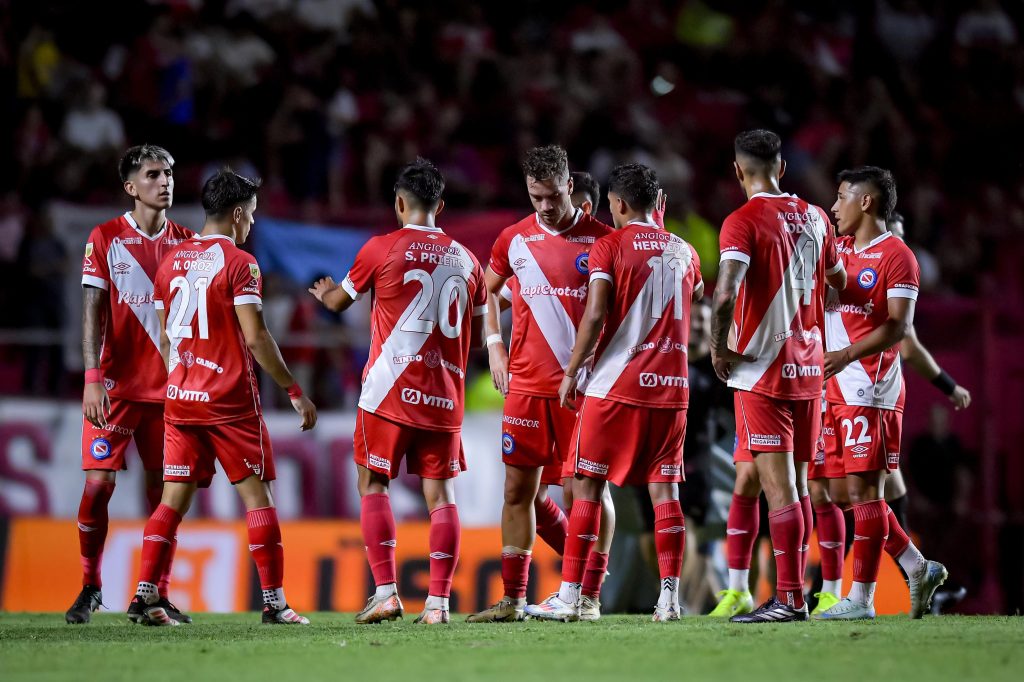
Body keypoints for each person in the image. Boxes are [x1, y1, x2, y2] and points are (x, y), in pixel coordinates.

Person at [127, 170, 316, 626]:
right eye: (250, 215)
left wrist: (184, 379)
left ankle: (144, 596)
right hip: (229, 402)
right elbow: (256, 337)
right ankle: (274, 603)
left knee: (172, 500)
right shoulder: (240, 264)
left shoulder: (169, 263)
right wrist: (294, 390)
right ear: (236, 214)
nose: (251, 224)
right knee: (259, 499)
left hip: (181, 399)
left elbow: (167, 340)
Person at [309, 158, 486, 625]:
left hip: (388, 390)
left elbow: (338, 302)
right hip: (445, 394)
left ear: (399, 203)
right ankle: (439, 604)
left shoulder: (381, 248)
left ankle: (386, 591)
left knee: (373, 483)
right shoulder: (469, 261)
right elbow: (483, 332)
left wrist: (323, 291)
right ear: (441, 206)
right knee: (442, 497)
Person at [526, 162, 702, 622]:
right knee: (665, 493)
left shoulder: (609, 246)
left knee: (586, 484)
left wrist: (570, 372)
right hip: (671, 388)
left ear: (617, 205)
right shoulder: (685, 251)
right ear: (657, 203)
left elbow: (597, 312)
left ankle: (572, 595)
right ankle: (669, 597)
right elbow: (696, 297)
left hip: (615, 386)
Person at [467, 149, 615, 623]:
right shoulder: (514, 239)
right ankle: (513, 598)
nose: (546, 206)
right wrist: (493, 345)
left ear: (571, 185)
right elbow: (487, 289)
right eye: (536, 197)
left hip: (585, 389)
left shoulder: (605, 242)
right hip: (527, 387)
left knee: (586, 492)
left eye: (553, 196)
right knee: (518, 491)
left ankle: (587, 592)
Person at [709, 129, 846, 623]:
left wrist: (717, 347)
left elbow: (724, 295)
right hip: (809, 367)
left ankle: (789, 599)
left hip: (761, 368)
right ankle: (798, 593)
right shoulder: (815, 217)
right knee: (802, 487)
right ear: (783, 168)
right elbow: (839, 278)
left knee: (779, 489)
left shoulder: (741, 222)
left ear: (738, 171)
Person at [806, 211, 973, 614]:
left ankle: (861, 596)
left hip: (869, 391)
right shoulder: (843, 251)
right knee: (841, 493)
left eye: (842, 197)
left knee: (872, 494)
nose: (834, 206)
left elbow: (907, 341)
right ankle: (917, 567)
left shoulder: (895, 264)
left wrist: (948, 386)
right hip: (836, 388)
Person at [67, 144, 195, 625]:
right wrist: (92, 378)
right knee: (98, 488)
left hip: (169, 395)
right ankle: (90, 585)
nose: (165, 182)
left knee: (165, 496)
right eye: (153, 174)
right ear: (130, 186)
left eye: (169, 173)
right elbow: (90, 317)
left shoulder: (187, 243)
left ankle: (154, 595)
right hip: (115, 391)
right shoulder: (104, 238)